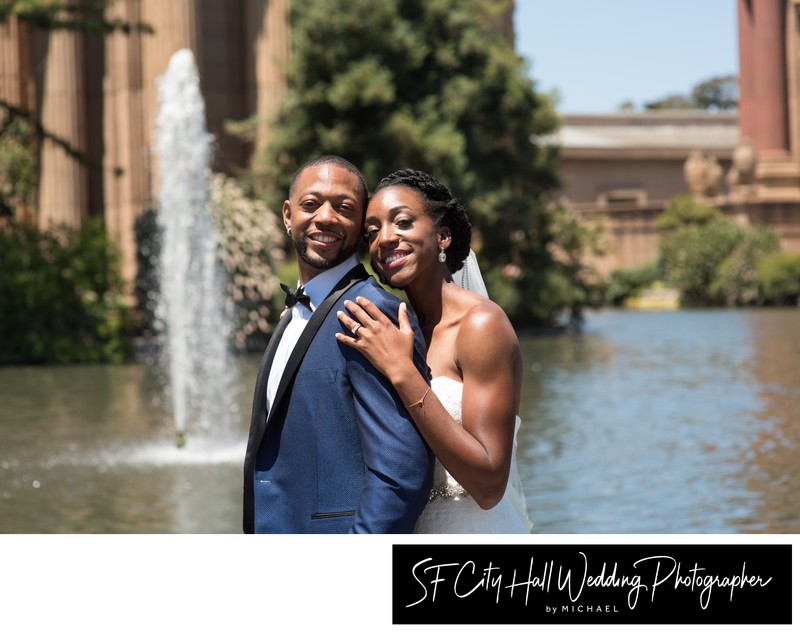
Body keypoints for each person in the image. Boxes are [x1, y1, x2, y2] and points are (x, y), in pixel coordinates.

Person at [242, 156, 433, 533]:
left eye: (344, 208)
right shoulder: (295, 311)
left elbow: (402, 472)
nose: (325, 217)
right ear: (287, 214)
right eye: (311, 204)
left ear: (361, 224)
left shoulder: (370, 311)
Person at [335, 169, 532, 533]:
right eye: (372, 231)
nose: (385, 238)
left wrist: (404, 373)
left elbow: (489, 484)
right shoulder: (391, 330)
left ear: (442, 236)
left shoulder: (480, 325)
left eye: (403, 222)